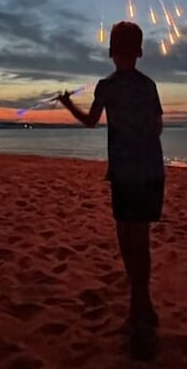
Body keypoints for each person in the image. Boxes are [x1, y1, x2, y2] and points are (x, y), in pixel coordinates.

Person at [57, 20, 164, 347]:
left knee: (126, 238)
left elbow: (90, 122)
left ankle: (138, 307)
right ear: (140, 52)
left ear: (111, 52)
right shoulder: (148, 85)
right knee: (140, 239)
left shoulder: (106, 86)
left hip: (125, 173)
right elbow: (157, 128)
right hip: (150, 171)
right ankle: (142, 303)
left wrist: (66, 103)